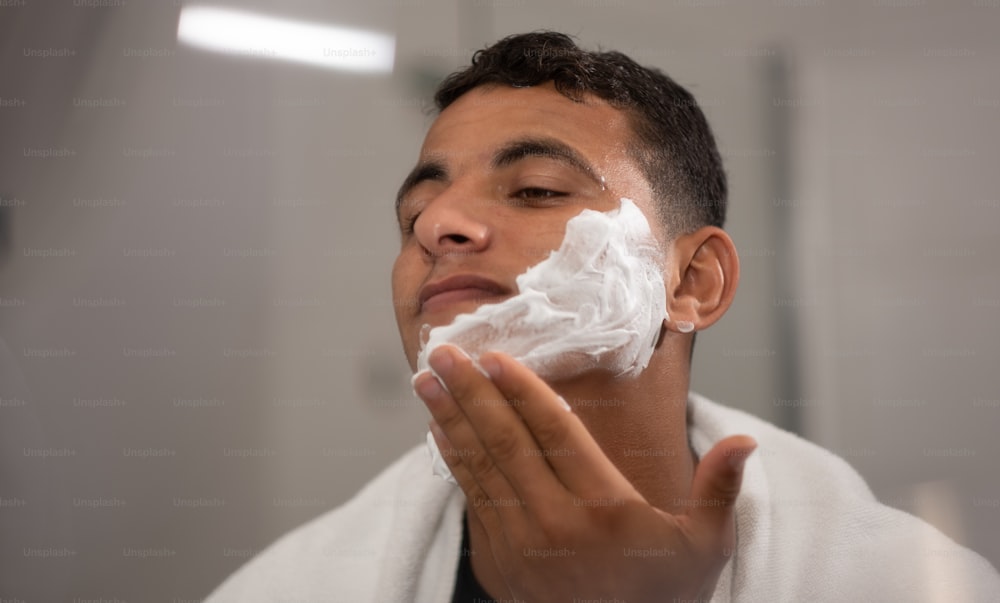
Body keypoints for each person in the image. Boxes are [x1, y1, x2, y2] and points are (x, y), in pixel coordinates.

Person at [205, 32, 999, 602]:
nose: (437, 225)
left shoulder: (906, 583)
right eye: (417, 208)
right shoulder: (290, 585)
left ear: (693, 281)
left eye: (539, 189)